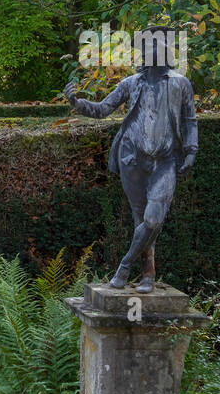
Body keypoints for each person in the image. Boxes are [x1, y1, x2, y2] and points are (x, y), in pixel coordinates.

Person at [64, 25, 198, 294]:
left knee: (153, 219)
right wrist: (78, 103)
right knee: (142, 219)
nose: (152, 51)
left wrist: (192, 149)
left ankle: (124, 267)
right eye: (148, 47)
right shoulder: (130, 84)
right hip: (132, 160)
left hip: (165, 161)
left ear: (167, 52)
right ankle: (148, 275)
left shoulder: (180, 84)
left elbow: (189, 120)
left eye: (158, 46)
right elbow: (103, 109)